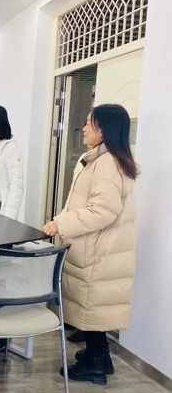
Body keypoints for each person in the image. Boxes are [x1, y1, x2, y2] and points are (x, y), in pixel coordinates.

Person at [43, 104, 138, 386]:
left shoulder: (107, 163)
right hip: (100, 247)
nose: (83, 128)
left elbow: (102, 212)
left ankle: (95, 365)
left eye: (88, 123)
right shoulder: (102, 158)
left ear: (104, 130)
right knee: (93, 307)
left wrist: (60, 223)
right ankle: (101, 357)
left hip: (98, 250)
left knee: (91, 307)